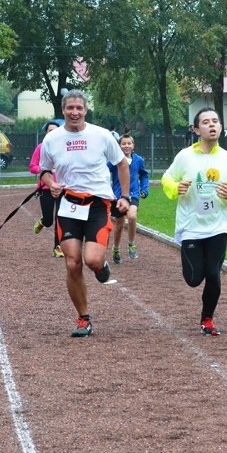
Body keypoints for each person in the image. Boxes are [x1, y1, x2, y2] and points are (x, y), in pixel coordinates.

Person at [39, 90, 131, 337]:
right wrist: (51, 183)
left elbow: (122, 163)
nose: (75, 112)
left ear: (86, 110)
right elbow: (44, 171)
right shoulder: (52, 139)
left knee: (91, 260)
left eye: (79, 107)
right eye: (70, 108)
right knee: (72, 263)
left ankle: (101, 267)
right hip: (69, 206)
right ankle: (83, 319)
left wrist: (124, 196)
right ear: (63, 110)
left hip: (98, 205)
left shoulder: (101, 135)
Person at [161, 107, 227, 336]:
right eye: (206, 122)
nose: (212, 125)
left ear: (220, 127)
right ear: (196, 129)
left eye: (215, 121)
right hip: (191, 227)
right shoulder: (185, 156)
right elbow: (166, 178)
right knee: (193, 278)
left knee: (213, 273)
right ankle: (192, 268)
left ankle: (207, 319)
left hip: (218, 226)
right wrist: (174, 188)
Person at [108, 134, 149, 264]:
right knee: (119, 225)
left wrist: (144, 189)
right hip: (118, 196)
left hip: (134, 194)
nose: (126, 146)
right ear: (119, 146)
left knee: (132, 217)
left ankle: (131, 244)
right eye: (123, 143)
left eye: (129, 143)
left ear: (133, 145)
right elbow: (103, 172)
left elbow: (144, 175)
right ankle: (116, 249)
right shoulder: (115, 160)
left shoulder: (139, 160)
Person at [30, 119, 64, 257]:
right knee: (49, 220)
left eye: (56, 131)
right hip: (46, 188)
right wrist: (46, 169)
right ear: (46, 133)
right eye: (50, 131)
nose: (53, 133)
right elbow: (32, 167)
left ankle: (58, 247)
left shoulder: (65, 148)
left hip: (63, 188)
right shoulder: (41, 148)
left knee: (60, 218)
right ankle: (43, 221)